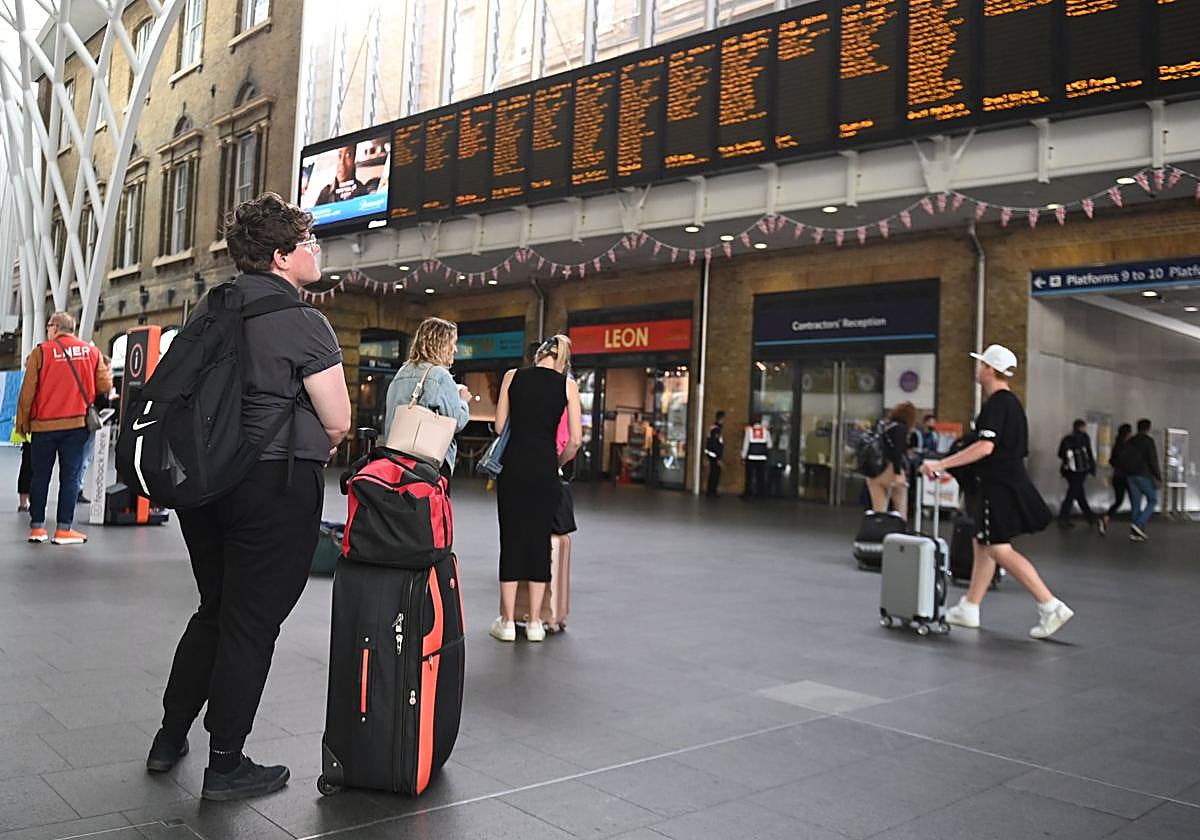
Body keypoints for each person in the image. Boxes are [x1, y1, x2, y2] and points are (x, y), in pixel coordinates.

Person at [147, 193, 351, 801]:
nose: (316, 251)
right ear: (283, 256)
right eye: (309, 243)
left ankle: (169, 735)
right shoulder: (303, 321)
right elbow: (336, 418)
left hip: (203, 482)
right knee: (251, 622)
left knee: (215, 606)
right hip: (273, 483)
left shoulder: (213, 306)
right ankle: (227, 763)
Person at [922, 344, 1074, 640]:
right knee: (984, 542)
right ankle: (970, 606)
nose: (977, 369)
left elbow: (984, 447)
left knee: (997, 547)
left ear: (990, 369)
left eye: (981, 365)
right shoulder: (1010, 404)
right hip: (1005, 482)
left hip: (998, 486)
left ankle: (1049, 605)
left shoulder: (998, 404)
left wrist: (942, 464)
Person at [491, 335, 582, 643]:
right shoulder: (567, 386)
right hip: (545, 469)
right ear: (561, 360)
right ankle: (534, 623)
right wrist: (557, 460)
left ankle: (506, 621)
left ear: (538, 355)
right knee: (540, 541)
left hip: (514, 467)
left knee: (511, 537)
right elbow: (576, 441)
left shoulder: (512, 377)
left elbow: (500, 426)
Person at [14, 311, 113, 545]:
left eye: (49, 326)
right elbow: (105, 384)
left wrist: (22, 424)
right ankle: (63, 530)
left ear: (55, 327)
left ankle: (37, 528)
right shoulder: (92, 352)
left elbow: (27, 392)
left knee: (40, 477)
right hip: (76, 426)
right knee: (70, 478)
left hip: (42, 426)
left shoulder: (41, 352)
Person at [383, 317, 472, 483]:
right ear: (440, 344)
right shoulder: (440, 375)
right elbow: (457, 422)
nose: (455, 350)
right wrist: (462, 401)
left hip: (397, 458)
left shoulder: (401, 372)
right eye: (452, 343)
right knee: (432, 507)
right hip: (429, 463)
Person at [867, 402, 917, 522]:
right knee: (900, 511)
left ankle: (880, 536)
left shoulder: (883, 426)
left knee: (879, 512)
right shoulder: (901, 428)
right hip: (891, 471)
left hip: (873, 471)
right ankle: (898, 537)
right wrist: (898, 473)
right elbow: (897, 452)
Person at [1122, 418, 1161, 542]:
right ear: (1148, 428)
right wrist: (1159, 476)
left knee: (1136, 503)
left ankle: (1136, 533)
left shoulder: (1130, 441)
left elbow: (1122, 458)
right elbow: (1153, 460)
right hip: (1144, 475)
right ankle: (1138, 524)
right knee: (1153, 500)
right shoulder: (1148, 441)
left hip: (1131, 476)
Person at [1056, 418, 1097, 530]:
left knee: (1078, 493)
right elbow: (1089, 452)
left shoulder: (1067, 439)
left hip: (1068, 471)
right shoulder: (1084, 438)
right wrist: (1092, 468)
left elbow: (1060, 454)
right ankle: (1063, 517)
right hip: (1081, 471)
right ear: (1081, 427)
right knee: (1073, 493)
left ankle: (1090, 517)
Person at [1101, 423, 1133, 535]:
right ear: (1128, 433)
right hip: (1127, 477)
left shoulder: (1117, 445)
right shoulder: (1127, 446)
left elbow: (1112, 461)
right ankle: (1137, 525)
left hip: (1117, 476)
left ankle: (1106, 517)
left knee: (1118, 501)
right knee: (1134, 500)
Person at [740, 415, 772, 499]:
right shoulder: (766, 431)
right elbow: (770, 445)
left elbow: (746, 444)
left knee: (749, 477)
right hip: (762, 458)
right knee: (760, 477)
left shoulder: (749, 430)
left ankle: (748, 493)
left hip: (751, 457)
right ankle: (760, 494)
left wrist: (743, 456)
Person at [704, 411, 725, 497]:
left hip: (711, 454)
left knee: (714, 472)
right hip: (714, 455)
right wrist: (718, 458)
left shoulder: (713, 428)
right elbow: (715, 444)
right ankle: (711, 491)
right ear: (720, 419)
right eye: (723, 419)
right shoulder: (716, 429)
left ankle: (711, 491)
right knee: (715, 473)